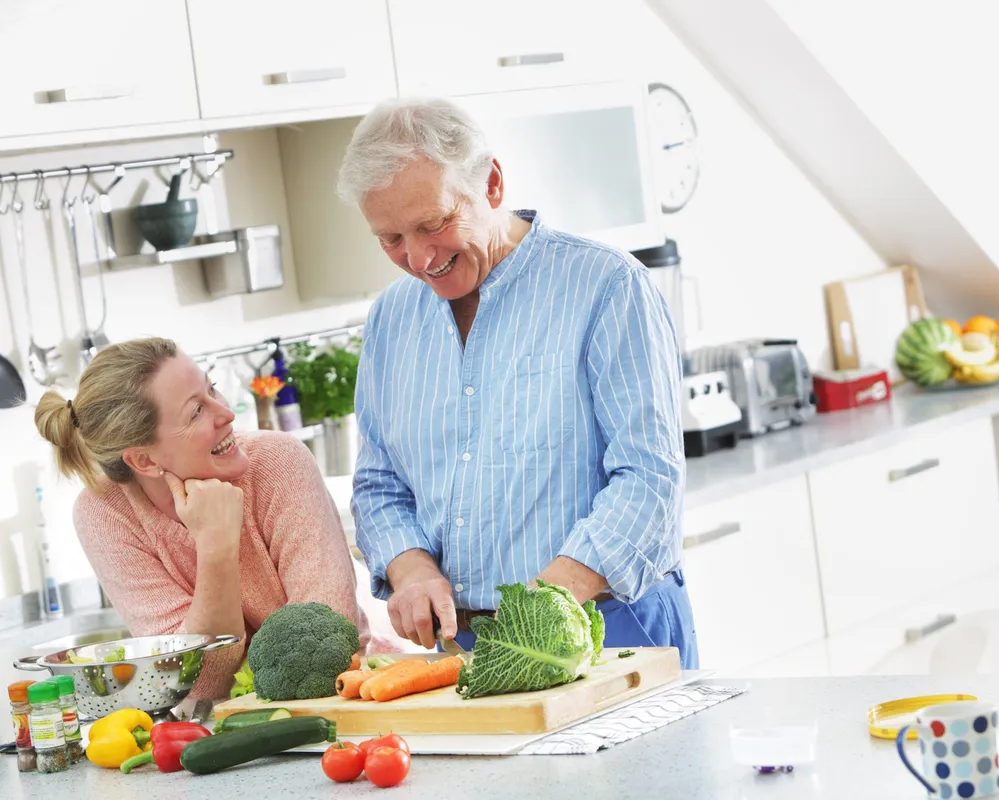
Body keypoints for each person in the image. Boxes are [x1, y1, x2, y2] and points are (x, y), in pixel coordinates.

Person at [339, 98, 698, 668]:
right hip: (464, 649)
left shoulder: (605, 286)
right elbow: (380, 482)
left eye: (433, 224)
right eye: (391, 239)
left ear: (493, 183)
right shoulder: (391, 319)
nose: (419, 257)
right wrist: (409, 568)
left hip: (608, 628)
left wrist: (547, 603)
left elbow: (649, 478)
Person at [34, 338, 383, 696]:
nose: (226, 414)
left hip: (355, 696)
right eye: (196, 411)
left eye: (211, 388)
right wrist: (216, 545)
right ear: (145, 461)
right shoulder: (105, 513)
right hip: (216, 732)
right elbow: (194, 685)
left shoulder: (279, 462)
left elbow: (330, 641)